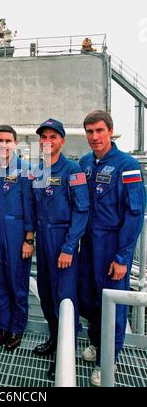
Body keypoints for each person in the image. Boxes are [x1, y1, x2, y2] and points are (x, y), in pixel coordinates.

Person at [78, 110, 146, 387]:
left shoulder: (127, 165)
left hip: (113, 246)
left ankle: (108, 362)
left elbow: (135, 214)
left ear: (110, 131)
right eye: (90, 132)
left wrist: (122, 256)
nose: (94, 137)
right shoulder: (84, 163)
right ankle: (97, 343)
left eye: (99, 131)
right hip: (89, 245)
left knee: (114, 305)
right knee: (90, 298)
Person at [32, 118, 90, 358]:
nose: (47, 141)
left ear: (62, 141)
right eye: (43, 137)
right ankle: (55, 340)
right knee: (46, 293)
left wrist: (68, 246)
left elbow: (82, 209)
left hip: (62, 240)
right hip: (43, 240)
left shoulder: (73, 170)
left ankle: (66, 353)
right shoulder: (37, 171)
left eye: (52, 137)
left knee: (64, 297)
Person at [0, 125, 36, 350]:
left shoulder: (26, 169)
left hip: (17, 234)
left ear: (15, 143)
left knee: (17, 284)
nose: (3, 145)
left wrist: (28, 239)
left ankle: (17, 328)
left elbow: (30, 206)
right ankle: (3, 326)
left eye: (8, 140)